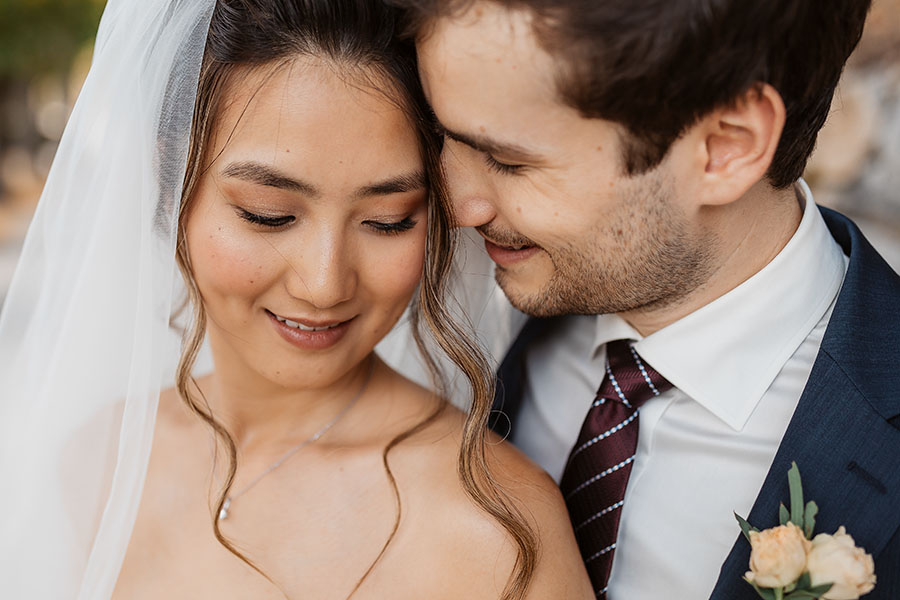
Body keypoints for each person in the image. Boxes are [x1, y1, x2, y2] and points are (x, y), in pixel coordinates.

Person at [0, 0, 594, 598]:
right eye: (270, 215)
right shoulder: (94, 460)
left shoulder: (497, 529)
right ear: (171, 185)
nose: (324, 284)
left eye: (388, 221)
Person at [392, 1, 900, 599]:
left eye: (509, 161)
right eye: (441, 135)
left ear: (726, 146)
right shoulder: (478, 296)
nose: (455, 209)